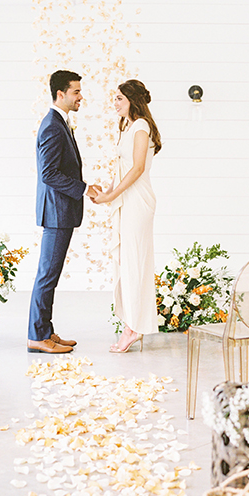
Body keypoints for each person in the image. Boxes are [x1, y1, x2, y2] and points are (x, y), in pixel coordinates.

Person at [27, 70, 100, 354]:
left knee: (51, 274)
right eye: (76, 92)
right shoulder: (52, 125)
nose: (81, 97)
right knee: (47, 274)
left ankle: (45, 330)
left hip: (61, 211)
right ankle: (37, 336)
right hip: (56, 212)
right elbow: (48, 174)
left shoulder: (60, 123)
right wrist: (84, 189)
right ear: (61, 94)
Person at [93, 79, 162, 352]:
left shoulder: (142, 127)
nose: (115, 103)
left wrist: (112, 196)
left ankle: (133, 328)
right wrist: (106, 192)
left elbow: (137, 169)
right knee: (126, 262)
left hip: (138, 202)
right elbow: (121, 169)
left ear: (132, 100)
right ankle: (132, 324)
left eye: (119, 98)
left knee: (134, 263)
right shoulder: (128, 127)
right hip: (126, 199)